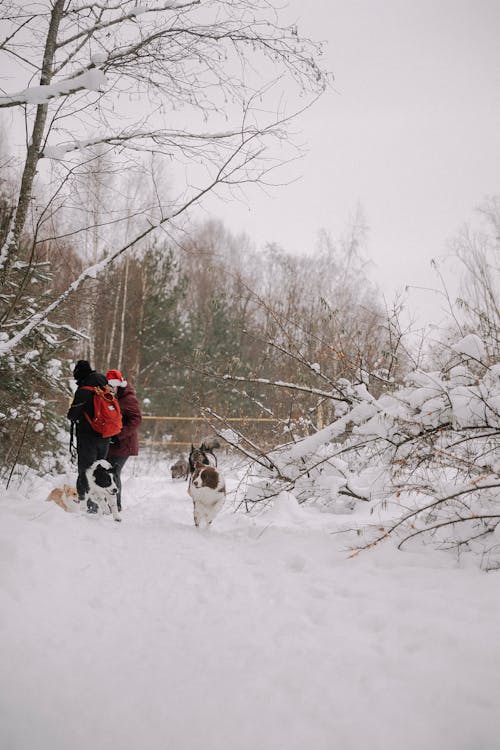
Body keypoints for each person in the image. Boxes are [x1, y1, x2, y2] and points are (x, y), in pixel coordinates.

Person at [67, 360, 110, 512]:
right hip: (105, 436)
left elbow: (72, 415)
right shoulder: (105, 386)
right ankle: (100, 505)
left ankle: (86, 505)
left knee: (85, 471)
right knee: (100, 470)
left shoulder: (84, 390)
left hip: (88, 437)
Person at [105, 369, 142, 512]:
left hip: (124, 443)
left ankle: (116, 506)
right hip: (112, 442)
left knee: (114, 473)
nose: (109, 388)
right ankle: (108, 504)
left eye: (111, 386)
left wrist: (119, 435)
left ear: (119, 385)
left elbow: (136, 420)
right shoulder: (110, 396)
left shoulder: (128, 398)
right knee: (108, 472)